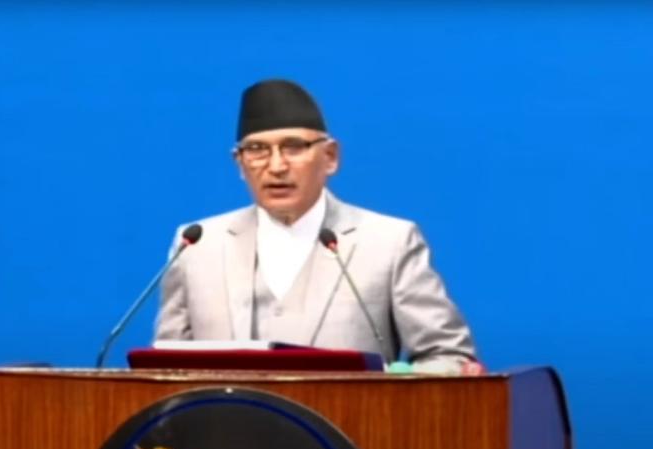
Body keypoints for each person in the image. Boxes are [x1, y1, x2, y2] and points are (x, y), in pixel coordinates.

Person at [154, 79, 476, 370]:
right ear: (240, 163)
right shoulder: (197, 244)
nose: (276, 166)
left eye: (294, 147)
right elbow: (163, 367)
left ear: (330, 157)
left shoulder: (389, 242)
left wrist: (400, 384)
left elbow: (449, 356)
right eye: (257, 150)